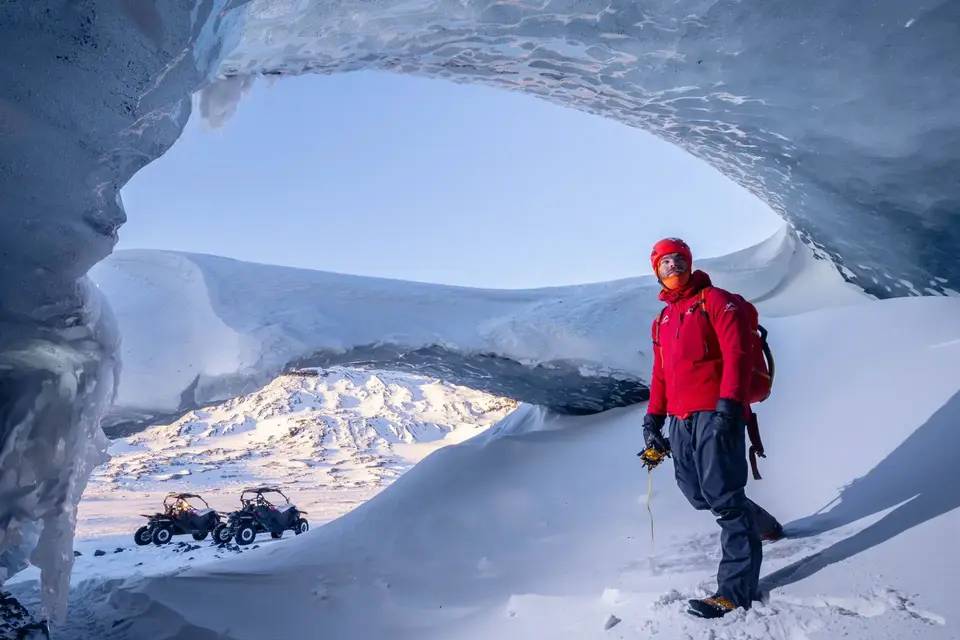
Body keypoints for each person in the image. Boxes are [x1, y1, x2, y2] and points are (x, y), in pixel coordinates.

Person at [640, 237, 783, 619]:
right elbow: (661, 374)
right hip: (680, 419)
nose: (672, 266)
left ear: (689, 263)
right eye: (665, 262)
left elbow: (736, 354)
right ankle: (764, 525)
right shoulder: (663, 320)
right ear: (656, 270)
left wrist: (729, 407)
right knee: (697, 493)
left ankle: (735, 592)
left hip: (716, 412)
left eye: (678, 260)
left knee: (723, 496)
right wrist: (653, 419)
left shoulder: (715, 301)